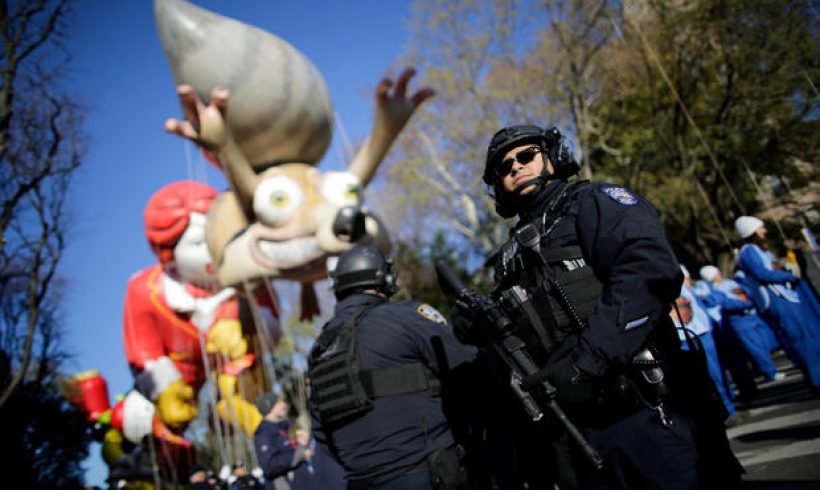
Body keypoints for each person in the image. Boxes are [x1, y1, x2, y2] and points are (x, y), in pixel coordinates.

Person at [466, 124, 742, 488]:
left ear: (552, 156)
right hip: (573, 430)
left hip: (642, 403)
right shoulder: (508, 258)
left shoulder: (594, 202)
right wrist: (476, 329)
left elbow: (648, 271)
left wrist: (587, 363)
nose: (516, 167)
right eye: (504, 167)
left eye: (526, 155)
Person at [308, 245, 477, 489]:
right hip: (429, 474)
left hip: (362, 482)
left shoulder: (319, 350)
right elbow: (469, 369)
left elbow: (322, 434)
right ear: (385, 278)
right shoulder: (406, 317)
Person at [734, 216, 820, 391]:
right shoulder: (749, 250)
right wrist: (789, 276)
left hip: (786, 298)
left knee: (809, 338)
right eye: (761, 228)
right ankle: (816, 380)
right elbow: (762, 274)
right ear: (752, 231)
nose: (764, 231)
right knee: (802, 341)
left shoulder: (758, 250)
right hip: (778, 300)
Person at [699, 265, 785, 382]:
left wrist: (747, 299)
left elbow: (746, 293)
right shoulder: (715, 290)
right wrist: (744, 303)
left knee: (764, 344)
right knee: (756, 348)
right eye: (715, 273)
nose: (718, 274)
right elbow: (728, 303)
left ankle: (761, 370)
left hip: (752, 316)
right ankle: (770, 372)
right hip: (739, 320)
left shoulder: (730, 282)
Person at [253, 391, 346, 490]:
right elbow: (269, 466)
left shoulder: (283, 428)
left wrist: (301, 445)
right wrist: (299, 454)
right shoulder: (264, 434)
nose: (284, 405)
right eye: (278, 402)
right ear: (269, 407)